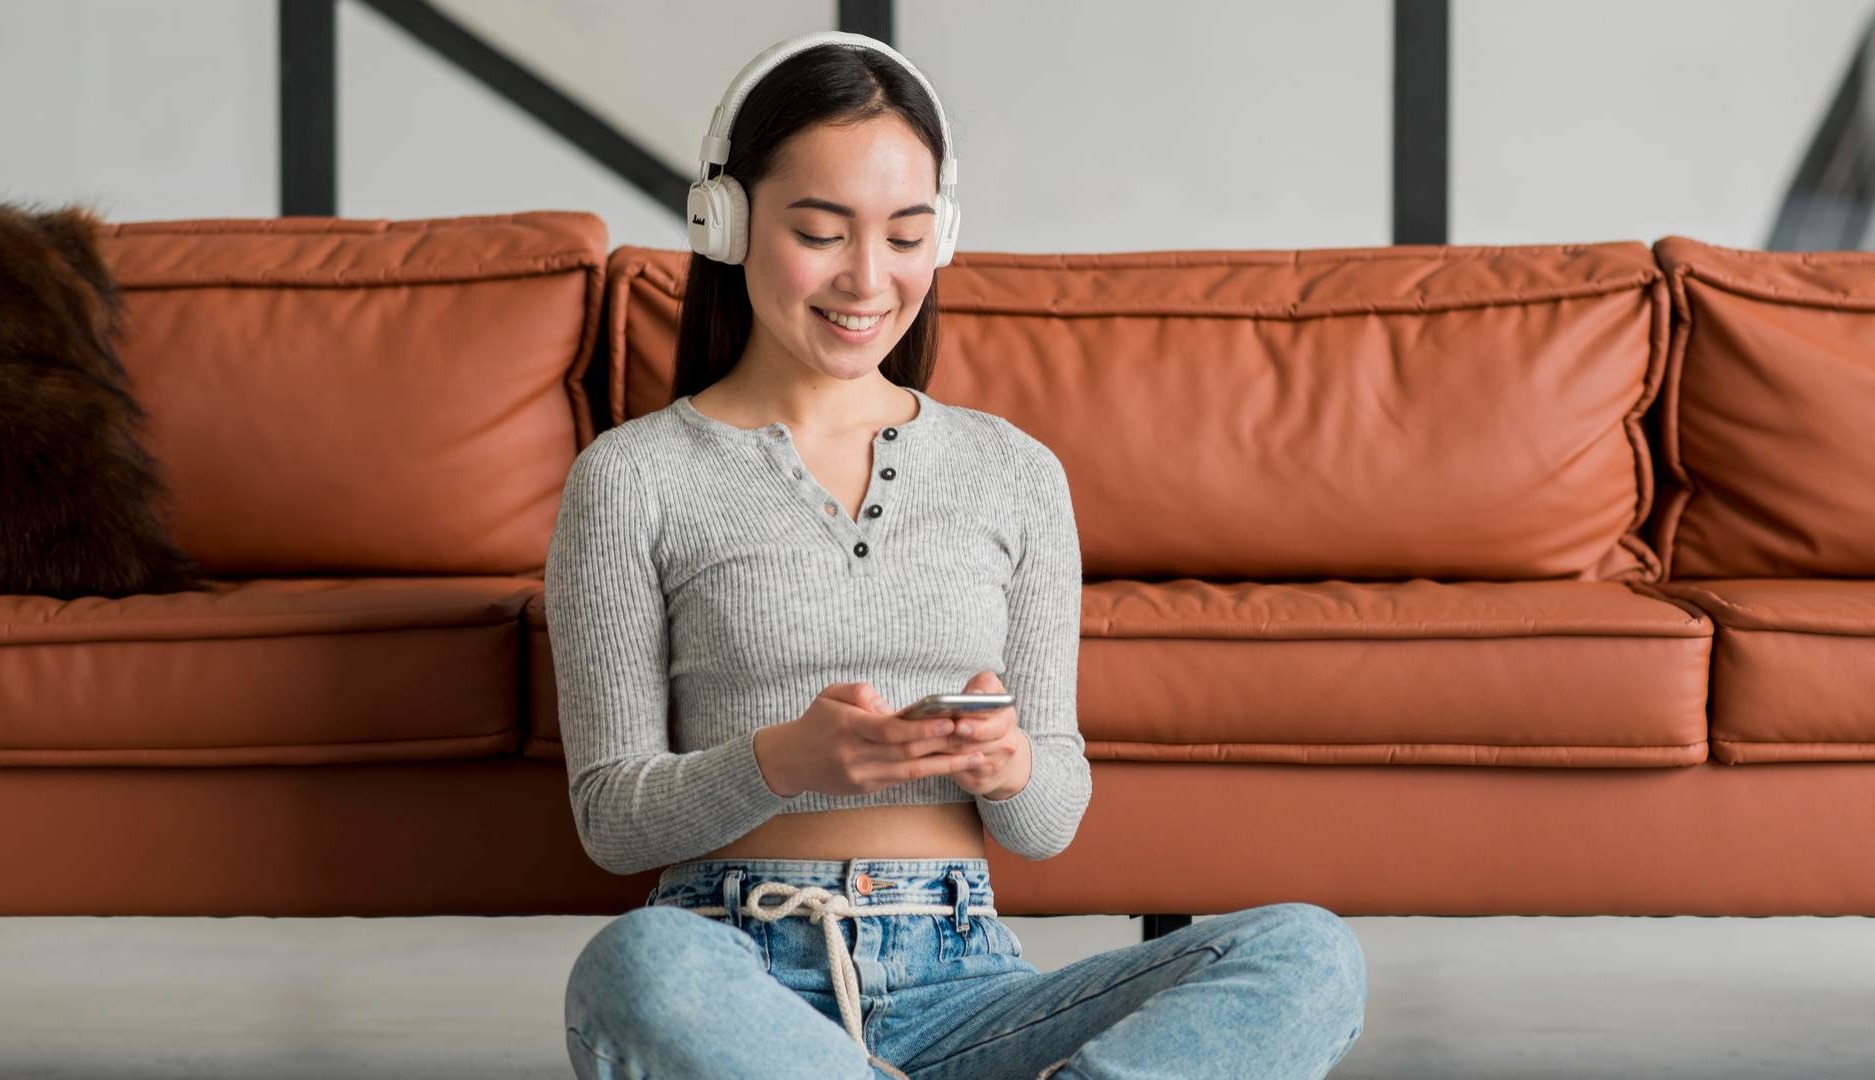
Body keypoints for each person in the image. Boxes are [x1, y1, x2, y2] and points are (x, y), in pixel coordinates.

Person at [547, 31, 1368, 1080]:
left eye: (905, 234)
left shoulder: (1013, 472)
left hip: (968, 986)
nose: (867, 277)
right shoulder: (633, 477)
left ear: (943, 237)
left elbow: (1049, 819)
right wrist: (781, 763)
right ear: (731, 220)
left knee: (1306, 951)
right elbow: (613, 819)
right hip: (737, 974)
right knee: (634, 968)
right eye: (819, 230)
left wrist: (1009, 763)